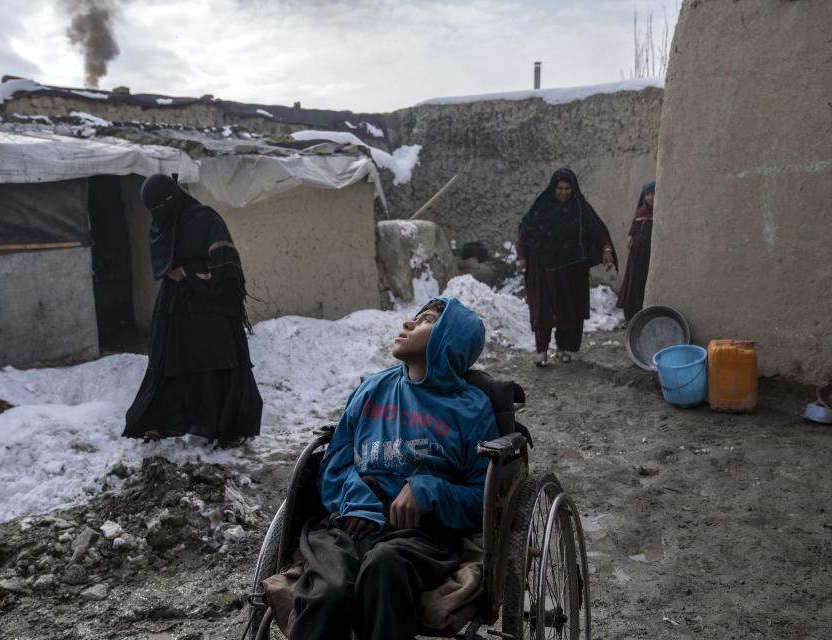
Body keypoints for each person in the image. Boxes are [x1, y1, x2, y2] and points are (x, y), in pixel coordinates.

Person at [289, 297, 499, 640]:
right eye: (414, 318)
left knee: (385, 565)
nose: (409, 324)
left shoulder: (472, 409)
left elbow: (482, 498)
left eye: (426, 320)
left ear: (450, 338)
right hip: (351, 521)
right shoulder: (373, 389)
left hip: (421, 534)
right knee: (330, 593)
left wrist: (428, 490)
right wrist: (357, 500)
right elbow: (336, 461)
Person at [123, 174, 262, 447]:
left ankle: (222, 427)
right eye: (151, 210)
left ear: (171, 200)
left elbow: (227, 270)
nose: (156, 215)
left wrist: (187, 273)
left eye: (159, 207)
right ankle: (159, 421)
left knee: (215, 364)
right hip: (175, 308)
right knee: (169, 362)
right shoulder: (164, 223)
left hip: (210, 307)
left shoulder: (206, 221)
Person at [516, 168, 617, 365]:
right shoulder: (542, 206)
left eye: (568, 188)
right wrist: (521, 256)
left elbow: (597, 228)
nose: (563, 192)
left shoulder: (580, 207)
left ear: (574, 189)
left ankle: (562, 348)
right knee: (543, 308)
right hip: (542, 266)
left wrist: (606, 248)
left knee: (567, 308)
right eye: (560, 188)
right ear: (553, 188)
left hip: (570, 268)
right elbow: (525, 229)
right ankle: (542, 350)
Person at [616, 181, 655, 323]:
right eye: (648, 194)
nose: (651, 197)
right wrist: (630, 237)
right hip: (637, 255)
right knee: (634, 283)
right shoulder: (640, 211)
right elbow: (634, 228)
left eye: (654, 194)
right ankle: (631, 315)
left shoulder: (660, 212)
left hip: (650, 256)